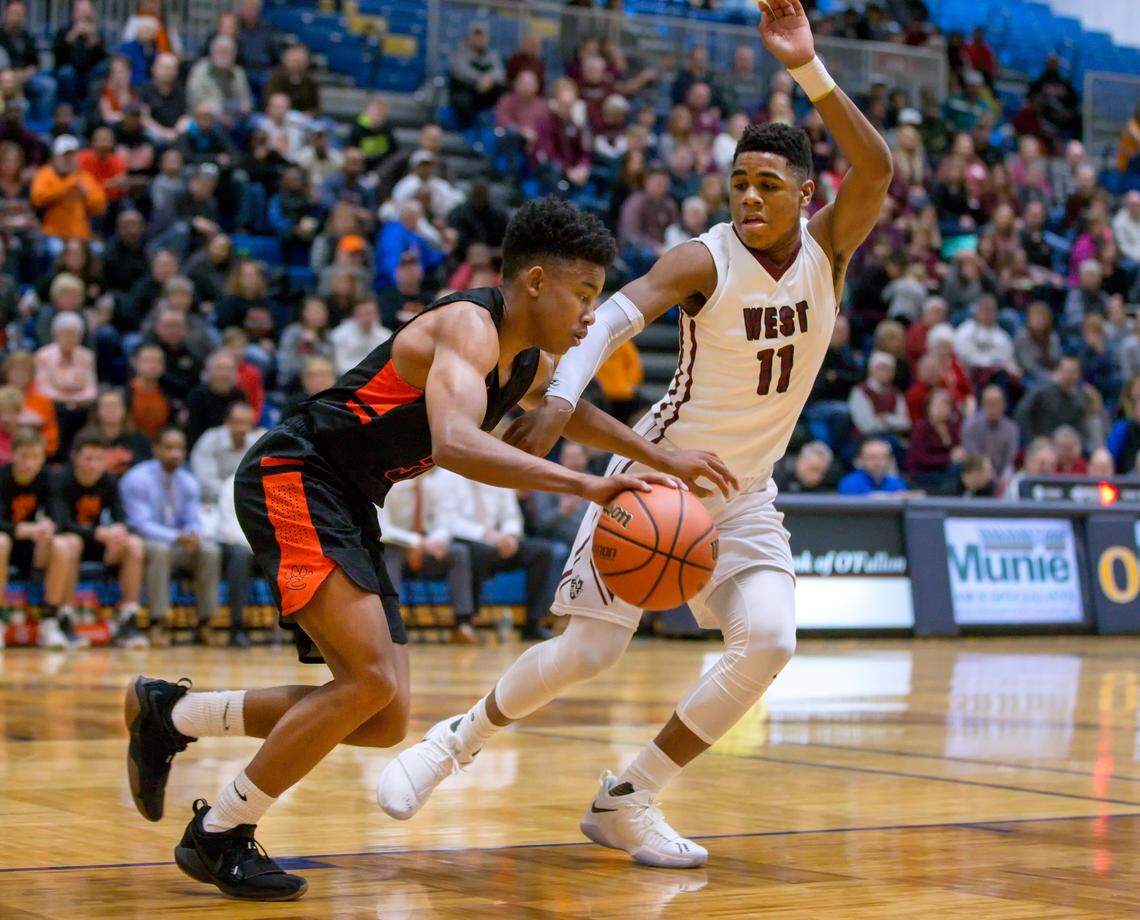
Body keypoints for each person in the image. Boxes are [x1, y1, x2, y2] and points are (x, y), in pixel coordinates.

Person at [378, 4, 892, 872]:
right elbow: (615, 315)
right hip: (657, 478)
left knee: (769, 640)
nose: (750, 197)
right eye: (739, 182)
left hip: (747, 491)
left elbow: (876, 165)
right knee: (593, 648)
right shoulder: (707, 258)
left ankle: (629, 798)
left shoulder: (830, 250)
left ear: (808, 195)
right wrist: (562, 392)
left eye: (769, 184)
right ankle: (450, 744)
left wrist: (809, 68)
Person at [123, 197, 726, 901]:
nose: (590, 315)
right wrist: (591, 489)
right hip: (296, 474)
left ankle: (172, 714)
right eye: (583, 295)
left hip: (347, 497)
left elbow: (576, 415)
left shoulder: (522, 357)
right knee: (368, 681)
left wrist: (658, 456)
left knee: (382, 717)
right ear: (535, 281)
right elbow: (456, 442)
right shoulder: (468, 329)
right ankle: (221, 832)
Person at [120, 427, 221, 642]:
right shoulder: (137, 478)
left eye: (180, 448)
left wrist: (193, 534)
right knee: (160, 549)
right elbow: (140, 523)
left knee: (210, 551)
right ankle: (158, 622)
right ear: (156, 449)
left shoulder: (188, 481)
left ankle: (205, 623)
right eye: (169, 448)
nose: (175, 453)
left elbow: (194, 519)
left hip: (179, 543)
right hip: (143, 544)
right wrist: (177, 537)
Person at [435, 467, 556, 641]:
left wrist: (510, 536)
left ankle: (533, 623)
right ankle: (466, 621)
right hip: (465, 540)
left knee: (542, 551)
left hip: (499, 543)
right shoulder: (447, 475)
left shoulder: (496, 471)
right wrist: (487, 534)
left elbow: (511, 516)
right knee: (473, 553)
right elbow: (448, 521)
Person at [51, 431, 146, 646]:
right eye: (88, 458)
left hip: (99, 544)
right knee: (71, 543)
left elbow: (120, 517)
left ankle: (127, 618)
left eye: (99, 459)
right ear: (75, 457)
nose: (93, 465)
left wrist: (118, 534)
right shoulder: (61, 479)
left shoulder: (110, 480)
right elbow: (61, 523)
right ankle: (64, 617)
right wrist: (100, 533)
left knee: (134, 545)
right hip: (68, 544)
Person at [380, 469, 480, 646]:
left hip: (426, 549)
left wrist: (435, 541)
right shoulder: (388, 485)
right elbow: (384, 531)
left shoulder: (434, 486)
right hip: (396, 547)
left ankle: (462, 623)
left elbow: (444, 523)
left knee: (458, 552)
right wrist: (417, 542)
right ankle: (391, 623)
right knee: (391, 554)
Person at [0, 431, 81, 648]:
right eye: (24, 456)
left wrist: (49, 526)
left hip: (35, 551)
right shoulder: (2, 478)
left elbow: (61, 517)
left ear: (43, 457)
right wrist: (22, 529)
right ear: (12, 454)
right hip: (8, 548)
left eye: (35, 457)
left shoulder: (49, 477)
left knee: (63, 544)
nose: (29, 463)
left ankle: (51, 620)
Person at [29, 135, 106, 248]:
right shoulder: (45, 174)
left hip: (80, 235)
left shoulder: (85, 177)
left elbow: (100, 206)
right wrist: (68, 186)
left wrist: (86, 193)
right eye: (64, 155)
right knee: (53, 248)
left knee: (98, 249)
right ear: (55, 157)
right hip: (52, 234)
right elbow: (37, 199)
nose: (68, 159)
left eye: (72, 155)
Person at [961, 385, 1018, 483]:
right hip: (976, 472)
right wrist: (988, 473)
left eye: (996, 403)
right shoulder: (971, 426)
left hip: (1000, 474)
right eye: (989, 403)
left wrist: (1001, 478)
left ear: (1003, 405)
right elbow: (972, 455)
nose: (993, 408)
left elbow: (1009, 459)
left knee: (1009, 474)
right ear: (983, 405)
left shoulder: (1011, 429)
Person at [838, 437, 910, 496]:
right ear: (861, 460)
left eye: (883, 457)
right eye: (872, 457)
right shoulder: (849, 483)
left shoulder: (896, 483)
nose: (877, 462)